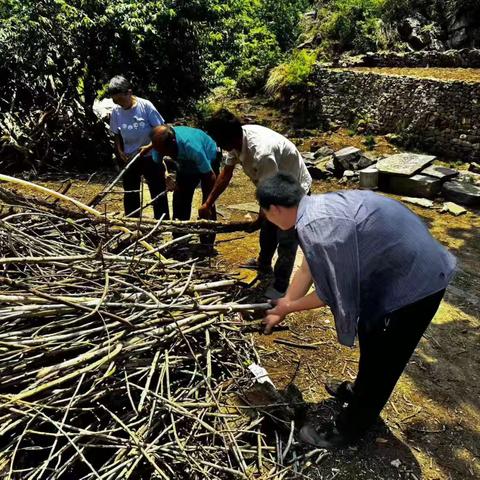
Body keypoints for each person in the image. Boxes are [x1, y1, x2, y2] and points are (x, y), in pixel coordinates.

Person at [257, 172, 456, 448]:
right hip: (392, 274)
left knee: (386, 359)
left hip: (417, 284)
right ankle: (360, 390)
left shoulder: (319, 228)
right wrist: (285, 305)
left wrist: (288, 306)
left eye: (265, 213)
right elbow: (309, 267)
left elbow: (331, 292)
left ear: (276, 209)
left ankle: (351, 426)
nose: (267, 220)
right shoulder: (312, 210)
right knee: (371, 333)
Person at [199, 109, 312, 299]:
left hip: (292, 190)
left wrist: (259, 219)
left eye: (219, 142)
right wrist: (208, 202)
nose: (218, 145)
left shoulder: (262, 153)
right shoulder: (236, 141)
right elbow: (226, 173)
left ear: (228, 138)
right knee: (268, 229)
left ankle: (280, 286)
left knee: (286, 238)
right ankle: (263, 264)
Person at [108, 75, 169, 219]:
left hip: (150, 156)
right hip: (130, 157)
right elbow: (116, 134)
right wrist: (119, 150)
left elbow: (162, 130)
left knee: (158, 191)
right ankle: (132, 224)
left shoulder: (145, 106)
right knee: (130, 193)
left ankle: (163, 222)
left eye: (121, 100)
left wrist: (148, 147)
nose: (119, 104)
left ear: (129, 92)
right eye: (115, 101)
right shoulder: (116, 111)